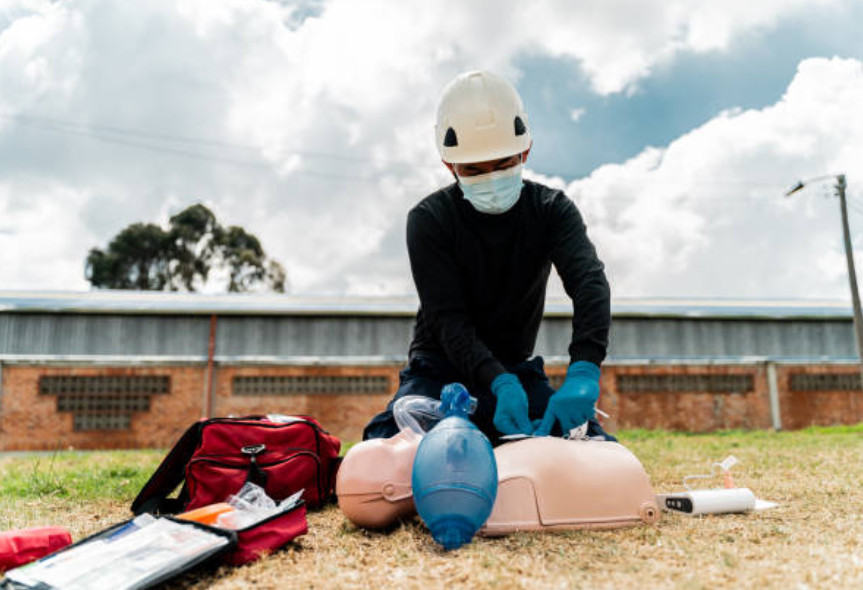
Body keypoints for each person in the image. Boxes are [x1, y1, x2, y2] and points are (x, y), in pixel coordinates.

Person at [363, 70, 615, 446]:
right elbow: (448, 319)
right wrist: (497, 381)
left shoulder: (552, 211)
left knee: (590, 449)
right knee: (382, 457)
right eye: (474, 170)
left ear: (525, 151)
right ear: (450, 165)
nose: (491, 178)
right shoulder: (430, 220)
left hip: (517, 370)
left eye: (503, 164)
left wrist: (584, 370)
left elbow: (589, 283)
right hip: (438, 372)